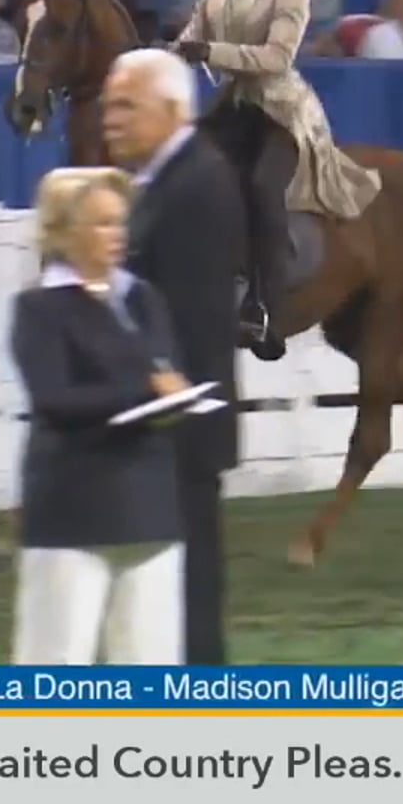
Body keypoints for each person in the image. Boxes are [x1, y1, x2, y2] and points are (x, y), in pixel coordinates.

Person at [171, 0, 382, 359]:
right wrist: (161, 59)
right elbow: (189, 39)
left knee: (265, 187)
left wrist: (211, 52)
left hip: (280, 111)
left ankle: (264, 308)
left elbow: (276, 57)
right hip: (234, 106)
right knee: (181, 169)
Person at [10, 168, 190, 665]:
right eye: (103, 223)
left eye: (120, 222)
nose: (118, 235)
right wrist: (144, 392)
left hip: (149, 506)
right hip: (73, 511)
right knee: (56, 662)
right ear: (64, 233)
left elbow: (166, 373)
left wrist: (173, 401)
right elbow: (54, 399)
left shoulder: (143, 299)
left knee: (152, 665)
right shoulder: (40, 309)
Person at [101, 48, 246, 665]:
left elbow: (186, 322)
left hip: (175, 428)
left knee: (186, 595)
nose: (110, 119)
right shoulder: (163, 181)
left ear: (172, 109)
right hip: (164, 423)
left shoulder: (196, 185)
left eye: (125, 106)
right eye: (108, 106)